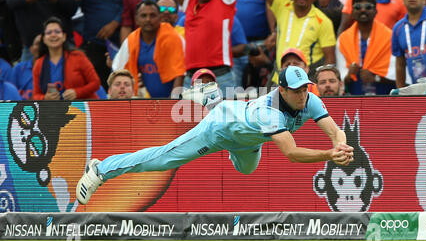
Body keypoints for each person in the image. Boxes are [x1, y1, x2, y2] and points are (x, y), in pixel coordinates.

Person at [75, 65, 354, 205]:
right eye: (296, 90)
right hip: (218, 129)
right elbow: (292, 154)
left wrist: (340, 146)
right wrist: (330, 155)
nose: (302, 94)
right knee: (161, 160)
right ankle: (101, 169)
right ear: (282, 90)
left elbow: (336, 130)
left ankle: (211, 99)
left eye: (305, 88)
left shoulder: (311, 100)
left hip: (247, 137)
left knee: (247, 170)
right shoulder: (271, 113)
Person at [249, 0, 336, 83]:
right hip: (278, 80)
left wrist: (318, 83)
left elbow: (329, 59)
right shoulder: (282, 6)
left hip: (305, 82)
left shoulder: (323, 21)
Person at [161, 0, 237, 94]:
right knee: (191, 115)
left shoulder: (225, 1)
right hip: (192, 78)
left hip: (221, 77)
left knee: (224, 115)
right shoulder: (189, 3)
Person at [75, 0, 134, 90]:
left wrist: (115, 22)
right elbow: (70, 9)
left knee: (124, 83)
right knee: (97, 86)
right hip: (95, 42)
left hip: (123, 40)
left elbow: (131, 0)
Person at [112, 0, 185, 98]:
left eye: (152, 15)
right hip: (147, 100)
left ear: (160, 18)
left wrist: (173, 101)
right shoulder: (131, 41)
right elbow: (118, 70)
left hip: (178, 97)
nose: (148, 19)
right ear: (136, 19)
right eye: (143, 16)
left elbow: (180, 73)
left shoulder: (173, 37)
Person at [5, 0, 77, 63]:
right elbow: (11, 1)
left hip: (63, 43)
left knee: (73, 76)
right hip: (32, 47)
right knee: (28, 77)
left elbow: (72, 4)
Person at [336, 0, 396, 95]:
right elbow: (340, 77)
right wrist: (349, 75)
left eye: (368, 7)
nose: (363, 10)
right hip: (354, 96)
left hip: (384, 96)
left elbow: (398, 75)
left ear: (376, 11)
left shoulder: (390, 37)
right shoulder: (343, 39)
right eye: (358, 7)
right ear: (352, 11)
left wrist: (375, 77)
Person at [32, 17, 101, 100]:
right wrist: (45, 98)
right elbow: (36, 95)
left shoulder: (78, 57)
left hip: (81, 108)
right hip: (53, 110)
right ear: (44, 39)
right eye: (49, 32)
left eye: (57, 31)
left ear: (64, 36)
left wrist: (77, 92)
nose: (53, 35)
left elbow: (96, 83)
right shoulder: (39, 63)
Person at [9, 34, 41, 100]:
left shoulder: (53, 68)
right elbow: (9, 93)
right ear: (30, 48)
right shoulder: (19, 68)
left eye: (44, 45)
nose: (41, 47)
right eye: (38, 44)